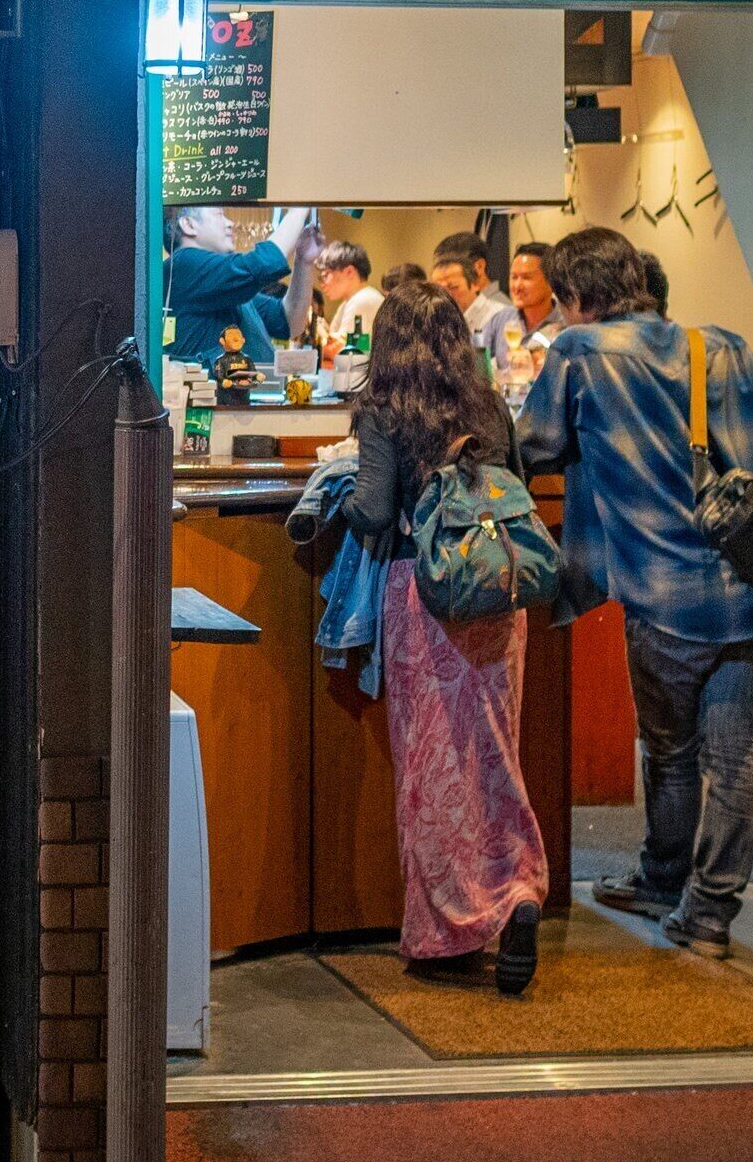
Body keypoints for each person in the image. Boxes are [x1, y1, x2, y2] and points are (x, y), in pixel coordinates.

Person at [515, 228, 753, 960]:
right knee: (736, 757)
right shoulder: (718, 344)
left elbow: (531, 447)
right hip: (748, 588)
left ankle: (661, 884)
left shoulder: (579, 354)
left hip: (662, 593)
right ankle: (710, 914)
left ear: (580, 297)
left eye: (561, 302)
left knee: (672, 751)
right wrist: (752, 471)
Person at [342, 277, 551, 994]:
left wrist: (342, 489)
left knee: (435, 774)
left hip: (424, 600)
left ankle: (449, 931)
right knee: (495, 755)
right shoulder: (488, 406)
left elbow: (372, 513)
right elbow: (514, 490)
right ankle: (518, 891)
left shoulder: (384, 410)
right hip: (498, 601)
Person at [163, 207, 312, 369]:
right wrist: (299, 208)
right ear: (188, 225)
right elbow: (265, 263)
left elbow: (289, 323)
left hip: (239, 393)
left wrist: (304, 261)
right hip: (211, 394)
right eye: (219, 214)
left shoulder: (217, 283)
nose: (230, 223)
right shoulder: (184, 264)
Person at [489, 244, 561, 407]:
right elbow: (478, 364)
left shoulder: (566, 324)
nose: (517, 286)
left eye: (527, 278)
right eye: (514, 277)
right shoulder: (501, 319)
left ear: (551, 282)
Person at [310, 241, 379, 385]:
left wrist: (322, 336)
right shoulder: (350, 301)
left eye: (326, 275)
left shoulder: (362, 300)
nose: (322, 283)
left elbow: (343, 353)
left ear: (349, 272)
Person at [432, 232, 509, 356]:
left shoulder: (500, 314)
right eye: (438, 290)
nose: (444, 296)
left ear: (474, 282)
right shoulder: (439, 319)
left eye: (452, 287)